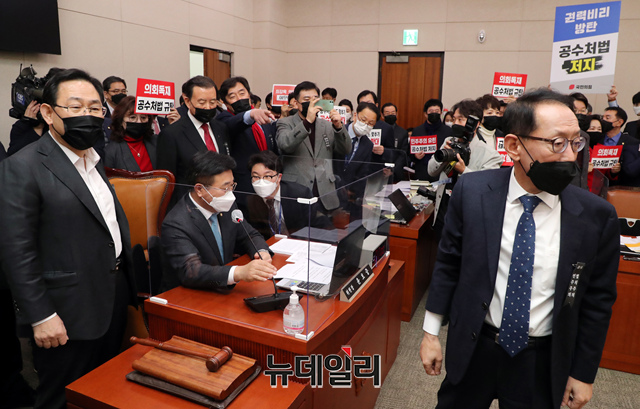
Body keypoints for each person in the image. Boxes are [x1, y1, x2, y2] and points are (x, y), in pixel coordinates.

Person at [420, 88, 619, 409]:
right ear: (514, 146)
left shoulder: (597, 215)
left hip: (540, 358)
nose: (570, 155)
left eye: (575, 142)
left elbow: (598, 301)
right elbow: (449, 264)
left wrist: (583, 373)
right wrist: (430, 333)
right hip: (475, 345)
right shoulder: (472, 192)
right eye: (557, 143)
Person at [0, 68, 136, 409]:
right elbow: (16, 251)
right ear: (48, 113)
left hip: (111, 295)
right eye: (75, 107)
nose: (86, 116)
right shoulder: (23, 166)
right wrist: (41, 316)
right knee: (61, 398)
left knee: (104, 390)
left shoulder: (93, 158)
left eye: (95, 108)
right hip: (65, 310)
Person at [160, 151, 276, 291]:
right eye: (224, 188)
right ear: (200, 190)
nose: (230, 194)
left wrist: (261, 252)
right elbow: (192, 271)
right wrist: (238, 272)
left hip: (224, 289)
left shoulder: (225, 205)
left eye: (232, 186)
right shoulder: (176, 223)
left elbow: (249, 234)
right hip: (189, 294)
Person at [428, 99, 502, 233]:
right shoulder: (448, 142)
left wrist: (463, 170)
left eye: (460, 119)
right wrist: (443, 155)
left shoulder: (491, 155)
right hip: (443, 213)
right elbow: (431, 171)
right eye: (454, 119)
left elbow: (487, 189)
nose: (455, 123)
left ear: (475, 123)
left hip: (468, 222)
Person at [276, 81, 351, 211]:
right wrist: (307, 122)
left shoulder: (327, 125)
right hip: (297, 191)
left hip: (325, 193)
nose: (312, 103)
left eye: (315, 99)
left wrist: (339, 127)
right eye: (306, 100)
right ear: (296, 104)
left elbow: (346, 149)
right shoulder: (285, 123)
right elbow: (285, 145)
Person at [156, 75, 231, 204]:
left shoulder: (221, 128)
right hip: (189, 205)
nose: (208, 107)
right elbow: (166, 182)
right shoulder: (172, 134)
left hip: (222, 202)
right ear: (187, 101)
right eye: (202, 102)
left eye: (212, 102)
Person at [247, 150, 332, 239]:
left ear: (279, 177)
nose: (261, 181)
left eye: (267, 176)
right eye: (256, 176)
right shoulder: (250, 199)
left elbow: (320, 226)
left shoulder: (300, 194)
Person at [216, 76, 278, 194]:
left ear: (249, 94)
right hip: (244, 184)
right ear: (225, 102)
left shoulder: (262, 117)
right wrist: (250, 115)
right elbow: (232, 124)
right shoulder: (223, 119)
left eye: (242, 93)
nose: (239, 98)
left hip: (268, 180)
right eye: (232, 96)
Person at [104, 96, 157, 172]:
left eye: (143, 117)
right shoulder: (111, 151)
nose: (139, 121)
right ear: (121, 121)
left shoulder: (157, 142)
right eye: (132, 117)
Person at [411, 99, 453, 181]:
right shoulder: (417, 131)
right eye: (431, 111)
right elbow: (409, 153)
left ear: (441, 113)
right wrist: (415, 156)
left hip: (441, 173)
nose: (434, 113)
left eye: (437, 111)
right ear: (425, 114)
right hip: (421, 173)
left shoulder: (448, 131)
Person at [381, 102, 410, 182]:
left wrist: (392, 170)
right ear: (382, 115)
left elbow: (403, 155)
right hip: (380, 172)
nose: (390, 115)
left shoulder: (402, 132)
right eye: (387, 113)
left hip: (397, 174)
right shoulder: (378, 130)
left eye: (393, 113)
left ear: (396, 114)